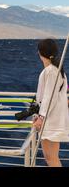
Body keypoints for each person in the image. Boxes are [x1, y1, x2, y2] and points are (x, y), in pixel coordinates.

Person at [32, 38, 69, 167]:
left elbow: (49, 97)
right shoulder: (57, 71)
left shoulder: (51, 71)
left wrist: (41, 118)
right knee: (51, 158)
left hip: (51, 120)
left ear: (40, 53)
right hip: (52, 118)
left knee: (51, 158)